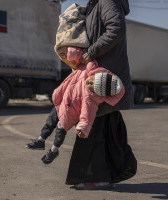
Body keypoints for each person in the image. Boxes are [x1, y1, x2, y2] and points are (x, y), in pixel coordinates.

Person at [65, 0, 137, 190]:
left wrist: (91, 51)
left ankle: (98, 176)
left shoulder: (107, 1)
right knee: (106, 125)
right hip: (97, 72)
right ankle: (116, 170)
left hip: (105, 76)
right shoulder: (96, 5)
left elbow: (116, 28)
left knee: (94, 126)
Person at [26, 46, 125, 164]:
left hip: (69, 113)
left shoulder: (91, 99)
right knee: (50, 121)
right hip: (62, 101)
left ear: (97, 91)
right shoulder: (90, 68)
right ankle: (40, 140)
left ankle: (54, 150)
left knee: (60, 130)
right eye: (93, 79)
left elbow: (87, 116)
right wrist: (74, 52)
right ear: (96, 74)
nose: (90, 81)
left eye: (93, 85)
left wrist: (84, 127)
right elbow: (83, 57)